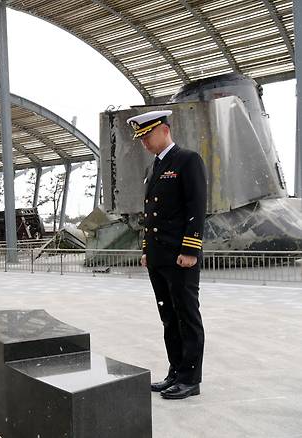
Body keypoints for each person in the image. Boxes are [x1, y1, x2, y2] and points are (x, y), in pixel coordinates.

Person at [127, 109, 207, 400]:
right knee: (169, 318)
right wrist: (147, 251)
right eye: (141, 138)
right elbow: (152, 216)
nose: (144, 143)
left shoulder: (187, 160)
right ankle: (175, 371)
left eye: (147, 136)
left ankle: (190, 378)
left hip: (179, 257)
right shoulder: (154, 168)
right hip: (159, 257)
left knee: (186, 316)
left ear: (164, 130)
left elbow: (195, 208)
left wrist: (190, 249)